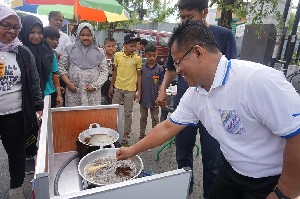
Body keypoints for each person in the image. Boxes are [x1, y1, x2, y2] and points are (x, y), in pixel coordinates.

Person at [117, 20, 300, 199]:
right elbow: (167, 128)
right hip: (231, 169)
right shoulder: (194, 94)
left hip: (269, 179)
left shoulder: (256, 80)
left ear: (198, 52)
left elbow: (296, 136)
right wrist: (132, 150)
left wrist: (283, 193)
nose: (177, 70)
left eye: (178, 62)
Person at [155, 0, 238, 196]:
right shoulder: (180, 38)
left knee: (213, 159)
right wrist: (162, 90)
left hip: (215, 108)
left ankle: (209, 194)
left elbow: (233, 68)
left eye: (189, 17)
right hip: (188, 104)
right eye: (182, 17)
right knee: (183, 153)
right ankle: (184, 189)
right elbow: (170, 68)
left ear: (204, 12)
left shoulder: (224, 35)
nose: (184, 22)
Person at [0, 5, 43, 199]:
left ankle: (16, 187)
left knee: (16, 152)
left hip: (14, 113)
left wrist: (39, 108)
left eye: (16, 27)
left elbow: (34, 82)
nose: (11, 31)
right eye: (6, 25)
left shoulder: (23, 52)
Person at [19, 15, 59, 174]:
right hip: (26, 98)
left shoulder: (49, 50)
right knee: (29, 127)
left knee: (45, 128)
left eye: (39, 32)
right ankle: (29, 156)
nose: (37, 36)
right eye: (32, 32)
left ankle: (44, 156)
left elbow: (55, 72)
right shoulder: (19, 51)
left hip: (47, 95)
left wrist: (57, 93)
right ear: (25, 32)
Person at [58, 22, 108, 107]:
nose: (86, 38)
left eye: (89, 35)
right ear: (78, 35)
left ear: (93, 36)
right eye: (82, 35)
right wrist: (68, 83)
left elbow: (104, 72)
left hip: (92, 94)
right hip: (74, 92)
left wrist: (95, 86)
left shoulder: (99, 52)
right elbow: (61, 67)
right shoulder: (69, 49)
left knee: (91, 118)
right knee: (74, 116)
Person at [109, 33, 142, 146]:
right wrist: (111, 86)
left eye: (135, 46)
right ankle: (113, 132)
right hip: (117, 88)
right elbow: (114, 71)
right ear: (124, 45)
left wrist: (139, 92)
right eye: (131, 46)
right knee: (114, 111)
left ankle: (125, 135)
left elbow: (139, 76)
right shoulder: (117, 55)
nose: (133, 48)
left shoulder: (137, 59)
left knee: (128, 113)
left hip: (130, 90)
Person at [139, 44, 164, 140]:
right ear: (145, 55)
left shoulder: (160, 69)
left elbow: (162, 84)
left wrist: (160, 96)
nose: (152, 58)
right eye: (149, 55)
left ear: (157, 55)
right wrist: (138, 94)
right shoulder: (142, 68)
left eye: (154, 55)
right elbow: (139, 83)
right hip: (144, 99)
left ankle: (154, 135)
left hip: (155, 99)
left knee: (155, 118)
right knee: (143, 118)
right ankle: (142, 135)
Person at [44, 26, 63, 107]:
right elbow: (54, 75)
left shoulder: (53, 53)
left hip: (49, 92)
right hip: (47, 93)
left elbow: (55, 75)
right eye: (52, 39)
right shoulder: (52, 54)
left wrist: (58, 93)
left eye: (57, 40)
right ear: (43, 38)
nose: (55, 42)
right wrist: (59, 95)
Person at [101, 37, 117, 105]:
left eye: (113, 46)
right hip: (103, 83)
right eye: (108, 46)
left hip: (113, 83)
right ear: (104, 47)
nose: (111, 48)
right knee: (103, 100)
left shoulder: (117, 58)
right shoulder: (101, 58)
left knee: (112, 101)